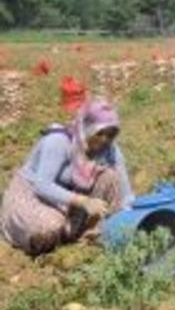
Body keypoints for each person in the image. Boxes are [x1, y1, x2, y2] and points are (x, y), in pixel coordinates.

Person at [0, 98, 134, 256]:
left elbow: (123, 187)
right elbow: (42, 186)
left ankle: (90, 233)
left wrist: (128, 214)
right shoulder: (58, 142)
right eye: (100, 133)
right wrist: (84, 201)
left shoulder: (109, 149)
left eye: (111, 135)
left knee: (110, 177)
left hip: (66, 203)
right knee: (49, 226)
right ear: (87, 127)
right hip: (32, 196)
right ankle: (60, 235)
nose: (104, 139)